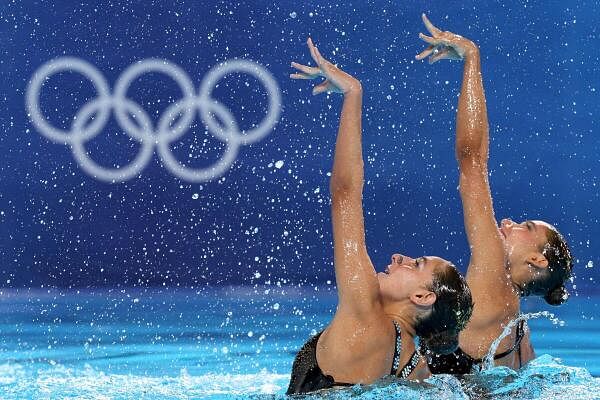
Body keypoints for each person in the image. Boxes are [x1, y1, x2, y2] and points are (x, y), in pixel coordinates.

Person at [286, 37, 473, 395]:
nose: (399, 257)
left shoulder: (364, 309)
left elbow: (345, 195)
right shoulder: (412, 363)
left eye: (416, 264)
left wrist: (352, 93)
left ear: (422, 297)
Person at [415, 14, 574, 374]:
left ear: (536, 260)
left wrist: (471, 57)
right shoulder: (517, 326)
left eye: (524, 226)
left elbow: (472, 164)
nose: (507, 222)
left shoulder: (491, 276)